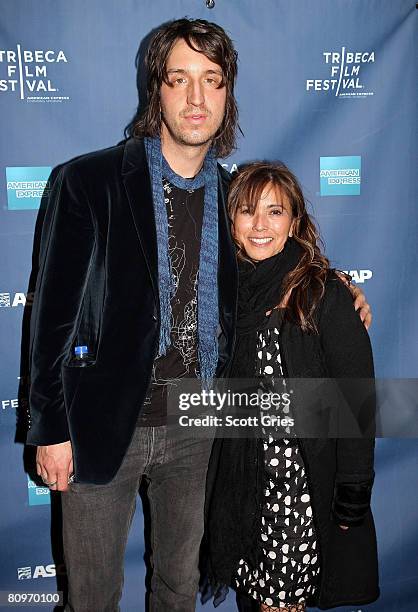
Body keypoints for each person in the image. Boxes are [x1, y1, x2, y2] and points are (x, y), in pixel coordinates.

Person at [26, 18, 371, 612]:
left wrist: (337, 286)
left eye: (211, 81)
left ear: (227, 93)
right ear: (154, 89)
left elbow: (278, 254)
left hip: (200, 426)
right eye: (178, 79)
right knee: (91, 596)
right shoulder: (88, 181)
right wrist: (50, 428)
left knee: (178, 588)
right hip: (100, 422)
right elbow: (51, 319)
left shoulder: (234, 196)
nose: (195, 98)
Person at [205, 162, 379, 612]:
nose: (260, 225)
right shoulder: (226, 295)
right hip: (243, 488)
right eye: (247, 211)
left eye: (275, 211)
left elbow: (358, 403)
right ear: (231, 221)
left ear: (294, 222)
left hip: (296, 496)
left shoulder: (322, 293)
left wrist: (353, 491)